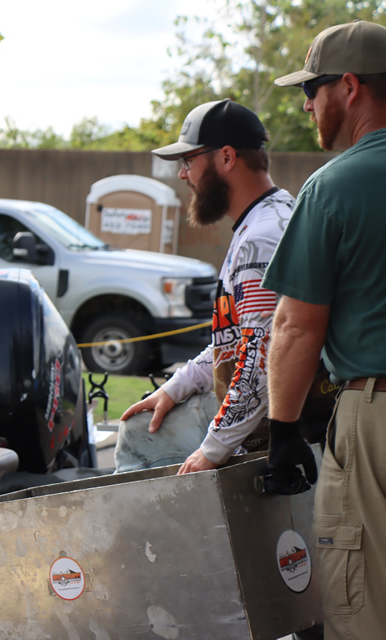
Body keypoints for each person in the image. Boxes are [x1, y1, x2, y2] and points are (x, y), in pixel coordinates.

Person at [262, 20, 386, 639]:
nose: (308, 104)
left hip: (376, 415)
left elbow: (294, 327)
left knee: (363, 607)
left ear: (351, 86)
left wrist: (283, 432)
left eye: (313, 88)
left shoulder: (334, 186)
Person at [114, 99, 295, 475]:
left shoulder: (261, 238)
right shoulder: (268, 217)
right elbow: (240, 340)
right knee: (143, 423)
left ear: (227, 157)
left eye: (188, 161)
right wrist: (174, 387)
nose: (183, 175)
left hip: (277, 421)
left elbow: (260, 359)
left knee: (137, 435)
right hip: (268, 409)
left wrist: (213, 449)